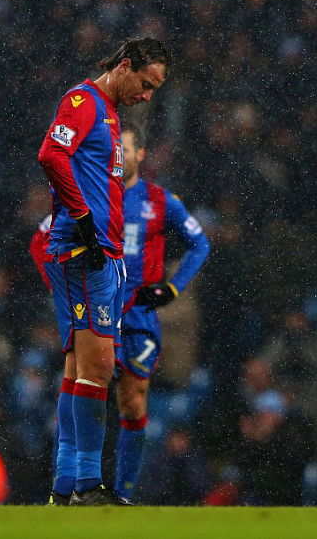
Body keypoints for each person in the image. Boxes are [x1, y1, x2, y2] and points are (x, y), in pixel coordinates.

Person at [37, 37, 170, 506]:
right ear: (126, 66)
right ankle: (88, 487)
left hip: (104, 253)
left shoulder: (111, 115)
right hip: (84, 252)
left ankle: (63, 487)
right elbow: (51, 155)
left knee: (79, 369)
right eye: (146, 83)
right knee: (98, 367)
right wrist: (84, 223)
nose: (148, 95)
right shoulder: (83, 101)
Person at [112, 124, 210, 501]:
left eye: (125, 150)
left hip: (138, 314)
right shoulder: (90, 197)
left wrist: (172, 288)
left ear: (141, 155)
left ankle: (123, 495)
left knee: (133, 398)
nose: (118, 158)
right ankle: (76, 485)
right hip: (99, 312)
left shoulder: (160, 200)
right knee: (83, 395)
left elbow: (199, 245)